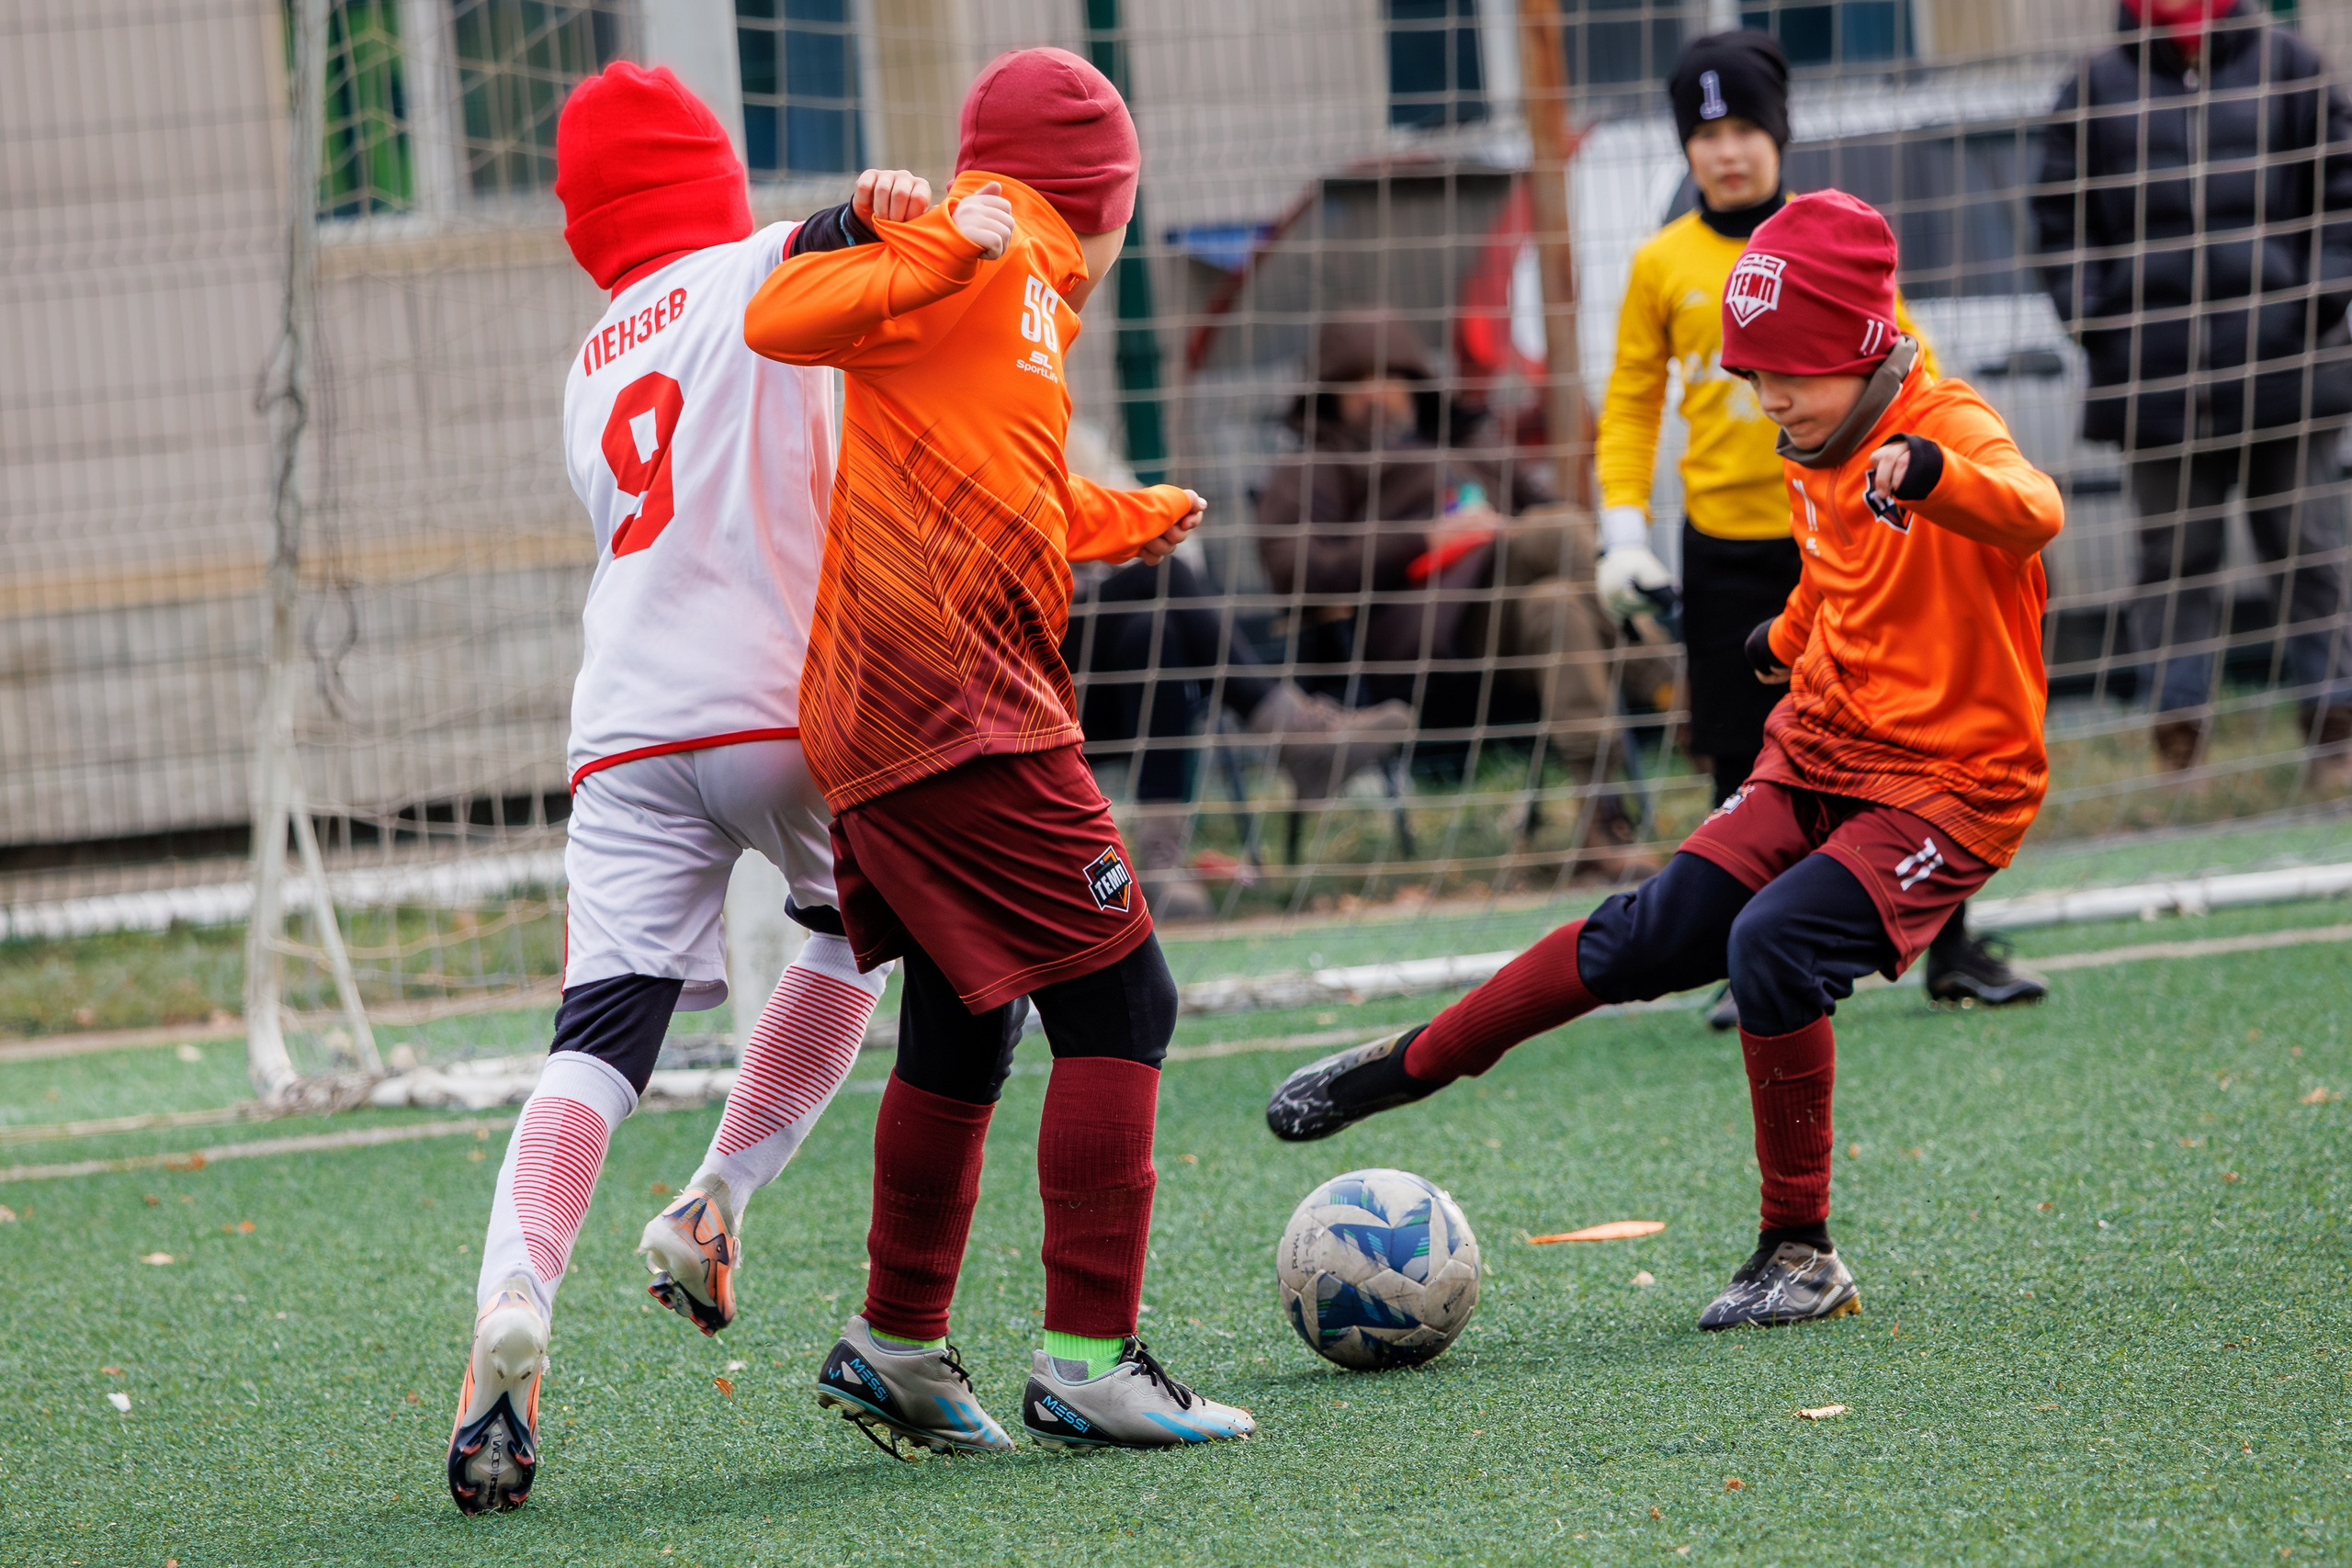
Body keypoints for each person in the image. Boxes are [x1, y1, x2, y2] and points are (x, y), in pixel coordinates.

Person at [1266, 193, 2064, 1333]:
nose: (1768, 397)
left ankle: (1800, 1250)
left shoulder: (1940, 424)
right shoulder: (1814, 440)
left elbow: (2034, 510)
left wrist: (1935, 472)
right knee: (1644, 933)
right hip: (1824, 742)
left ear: (1862, 348)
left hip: (1953, 783)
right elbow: (1848, 582)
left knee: (1771, 948)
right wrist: (1781, 643)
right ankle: (1414, 1063)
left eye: (1789, 371)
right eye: (1754, 376)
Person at [743, 47, 1254, 1452]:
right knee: (1126, 1004)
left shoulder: (1020, 292)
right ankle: (1091, 1357)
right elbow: (777, 311)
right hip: (959, 708)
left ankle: (896, 1339)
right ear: (1107, 197)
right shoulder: (989, 245)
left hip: (879, 711)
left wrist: (1127, 513)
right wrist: (902, 242)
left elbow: (998, 486)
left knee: (969, 1022)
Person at [447, 64, 923, 1515]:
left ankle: (513, 1319)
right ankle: (716, 1197)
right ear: (713, 179)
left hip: (629, 730)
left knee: (593, 1043)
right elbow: (836, 246)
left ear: (589, 222)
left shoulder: (591, 358)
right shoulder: (759, 258)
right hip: (789, 705)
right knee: (853, 940)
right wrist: (872, 209)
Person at [1600, 29, 2041, 1020]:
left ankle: (1950, 944)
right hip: (1726, 541)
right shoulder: (1660, 264)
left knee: (1906, 748)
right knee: (1737, 742)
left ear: (1779, 134)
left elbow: (1906, 359)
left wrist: (1941, 469)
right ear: (1683, 148)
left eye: (1746, 126)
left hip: (1853, 542)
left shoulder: (1831, 245)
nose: (1726, 150)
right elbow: (1630, 400)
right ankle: (1739, 958)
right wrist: (1620, 527)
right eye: (1704, 132)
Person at [2033, 0, 2352, 782]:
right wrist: (2100, 322)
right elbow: (2056, 220)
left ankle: (2335, 727)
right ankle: (2180, 737)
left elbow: (2343, 192)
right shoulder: (2094, 85)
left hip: (2287, 369)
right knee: (2173, 561)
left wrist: (2315, 302)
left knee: (2307, 549)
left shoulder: (2293, 67)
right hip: (2156, 383)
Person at [1256, 312, 1666, 860]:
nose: (1375, 395)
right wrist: (1423, 539)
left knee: (1559, 603)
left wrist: (1495, 530)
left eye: (1389, 376)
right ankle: (1667, 681)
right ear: (1330, 393)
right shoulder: (1317, 463)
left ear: (1415, 382)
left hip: (1507, 630)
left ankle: (1599, 819)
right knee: (1563, 532)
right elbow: (1291, 567)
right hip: (1418, 642)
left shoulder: (1468, 443)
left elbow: (1540, 507)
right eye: (1356, 382)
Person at [1064, 551, 1414, 918]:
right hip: (1028, 677)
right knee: (1165, 570)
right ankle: (1296, 737)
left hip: (1106, 674)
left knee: (1152, 630)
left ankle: (1161, 856)